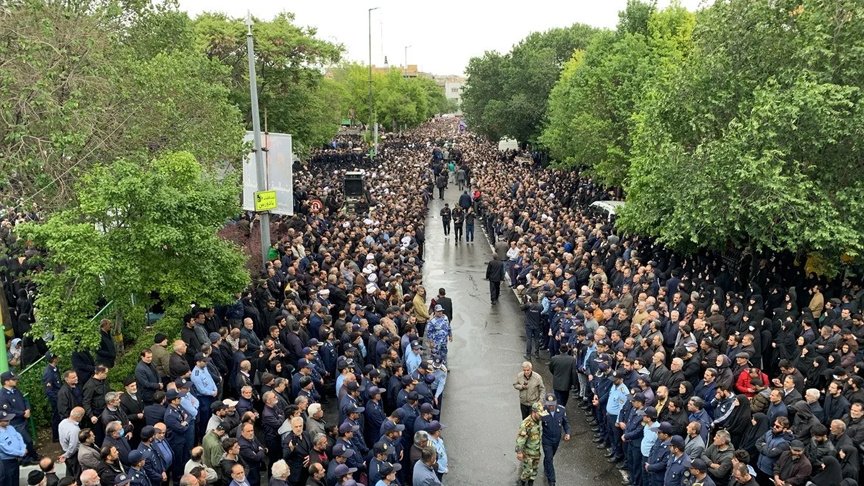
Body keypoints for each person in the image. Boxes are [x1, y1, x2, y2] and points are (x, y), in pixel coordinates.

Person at [540, 394, 570, 486]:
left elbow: (565, 423)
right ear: (546, 404)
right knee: (549, 459)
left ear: (556, 402)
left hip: (556, 440)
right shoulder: (542, 411)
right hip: (546, 440)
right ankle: (552, 481)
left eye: (553, 404)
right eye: (549, 404)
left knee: (550, 457)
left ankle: (546, 466)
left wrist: (568, 433)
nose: (551, 406)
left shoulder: (561, 410)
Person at [515, 402, 547, 486]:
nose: (541, 417)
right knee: (527, 471)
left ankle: (530, 482)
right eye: (539, 414)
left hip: (536, 452)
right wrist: (519, 452)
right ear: (534, 412)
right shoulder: (526, 424)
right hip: (528, 453)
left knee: (534, 471)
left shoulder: (537, 420)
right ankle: (521, 483)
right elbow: (520, 439)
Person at [0, 410, 27, 486]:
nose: (8, 421)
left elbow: (19, 437)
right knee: (9, 482)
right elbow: (5, 449)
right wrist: (21, 453)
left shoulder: (10, 427)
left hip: (15, 460)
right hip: (6, 462)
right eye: (5, 420)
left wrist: (23, 448)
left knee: (16, 480)